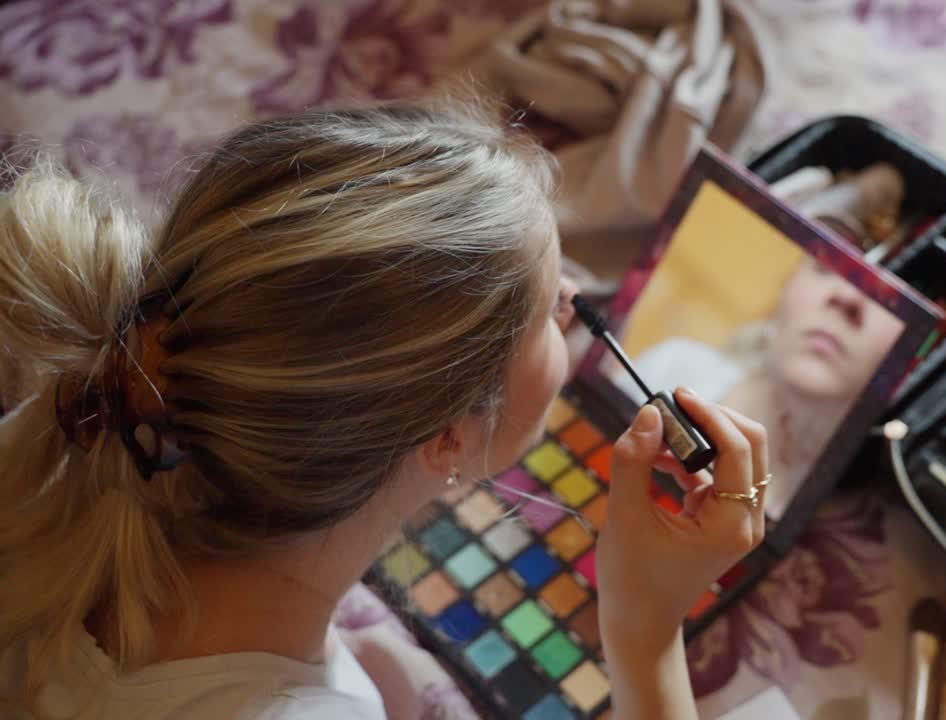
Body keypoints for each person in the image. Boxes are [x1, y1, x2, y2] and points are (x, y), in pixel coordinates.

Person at [0, 102, 769, 720]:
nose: (575, 301)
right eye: (544, 312)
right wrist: (645, 637)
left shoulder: (66, 427)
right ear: (448, 438)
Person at [624, 257, 902, 519]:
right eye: (827, 266)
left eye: (889, 295)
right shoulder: (674, 366)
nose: (848, 298)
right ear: (782, 294)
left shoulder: (861, 521)